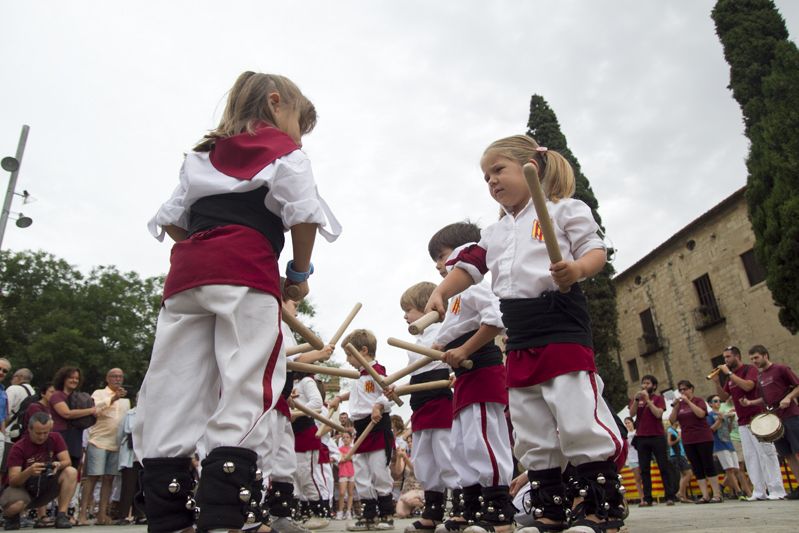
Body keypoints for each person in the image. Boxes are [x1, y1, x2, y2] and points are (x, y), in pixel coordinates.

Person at [132, 71, 341, 533]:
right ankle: (224, 515)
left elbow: (171, 219)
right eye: (298, 124)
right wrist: (298, 274)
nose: (298, 137)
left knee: (174, 386)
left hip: (188, 275)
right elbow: (303, 214)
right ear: (275, 103)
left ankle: (168, 517)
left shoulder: (200, 155)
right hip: (246, 270)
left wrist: (208, 245)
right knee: (247, 384)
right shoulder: (285, 153)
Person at [426, 135, 624, 533]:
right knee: (530, 423)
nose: (492, 181)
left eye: (499, 170)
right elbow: (470, 266)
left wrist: (576, 269)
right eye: (486, 177)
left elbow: (595, 250)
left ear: (531, 167)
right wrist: (442, 292)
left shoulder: (564, 209)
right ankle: (550, 509)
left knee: (576, 413)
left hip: (560, 322)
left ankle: (602, 508)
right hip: (519, 334)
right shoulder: (495, 233)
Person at [426, 222, 513, 533]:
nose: (438, 265)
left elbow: (496, 320)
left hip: (482, 371)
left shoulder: (474, 286)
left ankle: (498, 510)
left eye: (441, 256)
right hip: (464, 378)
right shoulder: (455, 298)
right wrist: (439, 347)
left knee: (483, 440)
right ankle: (473, 507)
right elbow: (450, 335)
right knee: (463, 445)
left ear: (464, 252)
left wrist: (463, 349)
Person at [396, 282, 459, 533]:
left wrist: (455, 374)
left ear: (425, 308)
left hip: (439, 401)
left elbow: (455, 359)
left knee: (446, 455)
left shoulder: (444, 330)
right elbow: (415, 377)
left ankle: (459, 508)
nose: (405, 316)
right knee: (423, 459)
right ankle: (432, 511)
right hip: (419, 405)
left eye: (408, 310)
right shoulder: (418, 341)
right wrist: (396, 389)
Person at [329, 329, 395, 531]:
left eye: (349, 355)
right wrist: (340, 397)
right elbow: (359, 394)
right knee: (361, 473)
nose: (347, 360)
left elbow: (389, 393)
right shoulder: (358, 377)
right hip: (360, 429)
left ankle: (386, 514)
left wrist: (379, 406)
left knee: (379, 471)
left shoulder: (377, 371)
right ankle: (369, 515)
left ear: (363, 351)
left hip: (377, 426)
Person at [711, 345, 786, 500]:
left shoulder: (749, 369)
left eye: (728, 357)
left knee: (766, 454)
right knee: (751, 457)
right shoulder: (730, 377)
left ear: (737, 356)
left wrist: (729, 373)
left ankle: (777, 490)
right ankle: (759, 491)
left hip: (757, 418)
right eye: (724, 357)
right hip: (743, 421)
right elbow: (724, 397)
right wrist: (717, 383)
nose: (725, 360)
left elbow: (748, 386)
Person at [0, 412, 78, 530]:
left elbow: (67, 461)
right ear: (29, 430)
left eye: (45, 433)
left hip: (45, 485)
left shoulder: (55, 438)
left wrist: (58, 464)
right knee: (16, 505)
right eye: (38, 433)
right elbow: (13, 481)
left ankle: (61, 515)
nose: (42, 437)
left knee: (71, 471)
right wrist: (29, 471)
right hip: (23, 488)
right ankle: (9, 516)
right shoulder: (19, 447)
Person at [743, 345, 799, 499]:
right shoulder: (760, 377)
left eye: (756, 357)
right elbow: (764, 399)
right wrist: (750, 403)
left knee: (797, 450)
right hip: (775, 420)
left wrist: (788, 397)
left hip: (791, 415)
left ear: (765, 355)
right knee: (787, 454)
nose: (754, 361)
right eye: (751, 359)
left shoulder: (781, 369)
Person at [78, 368, 131, 525]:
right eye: (114, 376)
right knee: (93, 477)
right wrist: (113, 398)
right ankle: (82, 514)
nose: (117, 379)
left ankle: (102, 514)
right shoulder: (99, 393)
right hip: (98, 441)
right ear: (107, 378)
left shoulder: (126, 401)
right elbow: (95, 410)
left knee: (109, 479)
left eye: (120, 376)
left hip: (116, 443)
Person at [668, 381, 721, 503]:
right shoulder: (680, 405)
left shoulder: (698, 401)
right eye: (680, 390)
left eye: (685, 389)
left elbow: (701, 414)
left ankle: (717, 494)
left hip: (703, 437)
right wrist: (675, 406)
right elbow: (672, 420)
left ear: (691, 389)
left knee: (708, 464)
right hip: (688, 439)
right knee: (697, 467)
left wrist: (688, 402)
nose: (683, 392)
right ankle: (705, 495)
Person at [628, 375, 677, 507]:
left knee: (663, 467)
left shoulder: (658, 398)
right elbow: (631, 414)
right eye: (643, 383)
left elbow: (658, 414)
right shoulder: (637, 399)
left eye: (647, 383)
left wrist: (648, 400)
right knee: (644, 469)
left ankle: (669, 496)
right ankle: (647, 498)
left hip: (657, 436)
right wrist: (636, 400)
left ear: (654, 386)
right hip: (642, 437)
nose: (644, 385)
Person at [49, 367, 97, 473]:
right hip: (60, 436)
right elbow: (66, 413)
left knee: (73, 469)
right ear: (63, 379)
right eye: (71, 377)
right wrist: (90, 410)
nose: (74, 380)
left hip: (76, 437)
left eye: (77, 378)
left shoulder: (79, 397)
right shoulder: (57, 395)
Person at [706, 395, 745, 500]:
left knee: (736, 468)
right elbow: (711, 430)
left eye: (719, 401)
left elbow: (729, 430)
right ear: (710, 404)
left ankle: (722, 486)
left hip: (728, 442)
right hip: (719, 444)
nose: (718, 403)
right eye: (715, 401)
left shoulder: (723, 413)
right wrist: (719, 420)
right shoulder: (709, 415)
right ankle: (739, 491)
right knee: (729, 469)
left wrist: (730, 420)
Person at [4, 369, 35, 443]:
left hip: (8, 434)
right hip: (24, 435)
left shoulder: (13, 388)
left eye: (13, 377)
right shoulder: (33, 392)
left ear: (20, 377)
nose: (11, 380)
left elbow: (4, 412)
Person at [665, 422, 693, 503]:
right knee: (689, 473)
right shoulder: (670, 430)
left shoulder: (676, 430)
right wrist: (678, 438)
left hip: (680, 454)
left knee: (683, 475)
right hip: (676, 455)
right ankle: (680, 493)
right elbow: (669, 443)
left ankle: (683, 496)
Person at [623, 418, 644, 503]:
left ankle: (647, 497)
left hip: (642, 456)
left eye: (629, 422)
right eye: (626, 423)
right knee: (638, 478)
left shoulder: (637, 432)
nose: (627, 424)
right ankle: (642, 498)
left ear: (632, 423)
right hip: (632, 458)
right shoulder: (625, 435)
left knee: (645, 477)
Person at [337, 433, 356, 520]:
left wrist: (345, 456)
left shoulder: (353, 449)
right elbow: (340, 459)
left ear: (351, 439)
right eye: (344, 437)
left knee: (351, 493)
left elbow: (354, 458)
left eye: (347, 437)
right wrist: (348, 457)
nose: (345, 439)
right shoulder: (339, 449)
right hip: (343, 472)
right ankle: (340, 511)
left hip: (352, 472)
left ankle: (348, 511)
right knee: (342, 493)